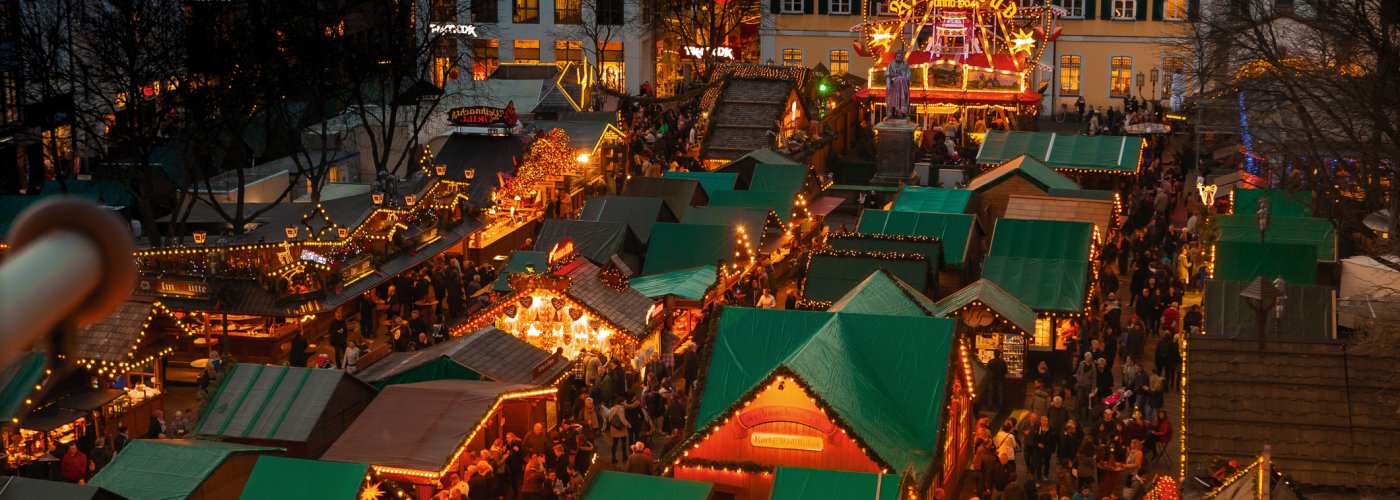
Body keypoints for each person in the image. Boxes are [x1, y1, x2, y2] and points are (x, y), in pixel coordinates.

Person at [605, 397, 631, 463]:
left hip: (614, 428)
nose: (625, 403)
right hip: (621, 428)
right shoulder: (621, 409)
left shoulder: (612, 408)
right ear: (621, 402)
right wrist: (628, 425)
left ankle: (613, 458)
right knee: (624, 442)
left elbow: (608, 417)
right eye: (624, 401)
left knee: (614, 443)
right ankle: (624, 457)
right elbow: (623, 420)